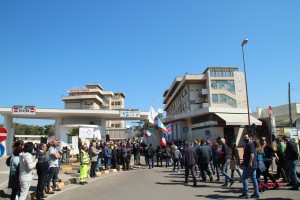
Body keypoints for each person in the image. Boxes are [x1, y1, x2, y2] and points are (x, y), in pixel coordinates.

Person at [238, 134, 259, 199]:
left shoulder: (250, 144)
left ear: (249, 137)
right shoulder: (249, 144)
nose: (245, 138)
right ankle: (256, 193)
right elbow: (247, 156)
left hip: (250, 165)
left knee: (244, 178)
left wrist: (250, 163)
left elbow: (252, 154)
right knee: (253, 178)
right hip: (252, 164)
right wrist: (243, 163)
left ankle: (246, 193)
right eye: (244, 137)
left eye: (246, 137)